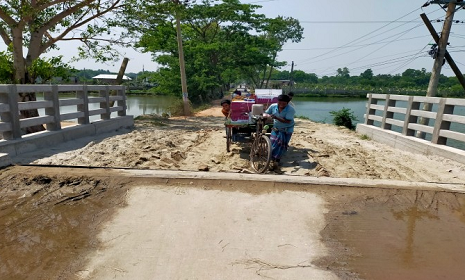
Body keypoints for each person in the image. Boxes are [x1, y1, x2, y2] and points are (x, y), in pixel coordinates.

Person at [264, 94, 295, 170]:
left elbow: (287, 121)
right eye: (280, 102)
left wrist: (276, 117)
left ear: (287, 103)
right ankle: (271, 160)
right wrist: (265, 116)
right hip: (276, 128)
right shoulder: (273, 106)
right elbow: (266, 113)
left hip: (286, 130)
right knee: (273, 144)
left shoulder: (291, 110)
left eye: (284, 103)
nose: (281, 105)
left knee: (281, 146)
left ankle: (277, 161)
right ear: (278, 101)